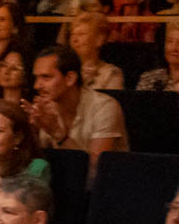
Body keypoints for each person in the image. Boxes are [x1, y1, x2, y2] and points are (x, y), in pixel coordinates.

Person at [28, 45, 127, 173]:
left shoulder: (105, 107)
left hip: (105, 189)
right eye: (36, 78)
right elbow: (36, 166)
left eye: (46, 77)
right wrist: (32, 130)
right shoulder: (46, 108)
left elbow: (95, 170)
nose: (37, 85)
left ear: (70, 78)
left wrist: (59, 134)